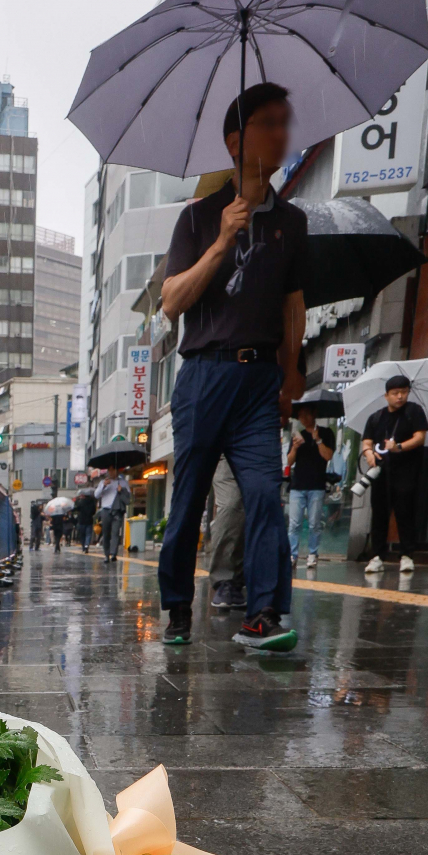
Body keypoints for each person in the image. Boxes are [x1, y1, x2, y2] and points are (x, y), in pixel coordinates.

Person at [157, 81, 307, 652]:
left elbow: (293, 304)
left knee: (265, 496)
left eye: (285, 122)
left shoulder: (292, 222)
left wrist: (291, 372)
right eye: (268, 123)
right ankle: (177, 608)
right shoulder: (198, 218)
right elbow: (172, 302)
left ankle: (264, 613)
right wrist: (221, 241)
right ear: (235, 141)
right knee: (188, 500)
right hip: (204, 376)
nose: (281, 133)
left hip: (259, 381)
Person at [360, 374, 428, 575]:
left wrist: (399, 447)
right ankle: (377, 556)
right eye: (395, 393)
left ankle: (407, 555)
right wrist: (369, 454)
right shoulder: (376, 417)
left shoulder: (414, 411)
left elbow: (420, 437)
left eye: (404, 392)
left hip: (406, 470)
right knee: (379, 513)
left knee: (405, 511)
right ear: (386, 395)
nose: (400, 396)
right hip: (381, 471)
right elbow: (366, 442)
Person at [287, 405, 335, 568]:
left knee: (315, 523)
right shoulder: (298, 435)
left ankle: (313, 553)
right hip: (297, 485)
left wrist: (318, 440)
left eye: (306, 414)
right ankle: (292, 555)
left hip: (317, 485)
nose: (303, 418)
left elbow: (328, 456)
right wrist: (295, 447)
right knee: (294, 523)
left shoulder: (326, 433)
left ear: (314, 414)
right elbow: (289, 461)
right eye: (300, 416)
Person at [207, 457, 246, 611]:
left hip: (262, 450)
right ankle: (224, 580)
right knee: (231, 504)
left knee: (259, 506)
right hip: (227, 450)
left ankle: (242, 581)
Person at [98, 470, 130, 563]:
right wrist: (104, 485)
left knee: (115, 533)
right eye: (110, 470)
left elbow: (128, 498)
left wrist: (121, 490)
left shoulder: (123, 482)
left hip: (117, 510)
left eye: (113, 470)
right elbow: (96, 495)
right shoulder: (103, 482)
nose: (111, 472)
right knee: (106, 533)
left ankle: (113, 554)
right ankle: (106, 554)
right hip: (106, 510)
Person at [75, 484, 98, 552]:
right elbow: (94, 511)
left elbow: (77, 508)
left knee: (82, 534)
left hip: (81, 521)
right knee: (88, 534)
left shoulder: (81, 502)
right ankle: (87, 545)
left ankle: (83, 546)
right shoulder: (92, 502)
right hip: (89, 520)